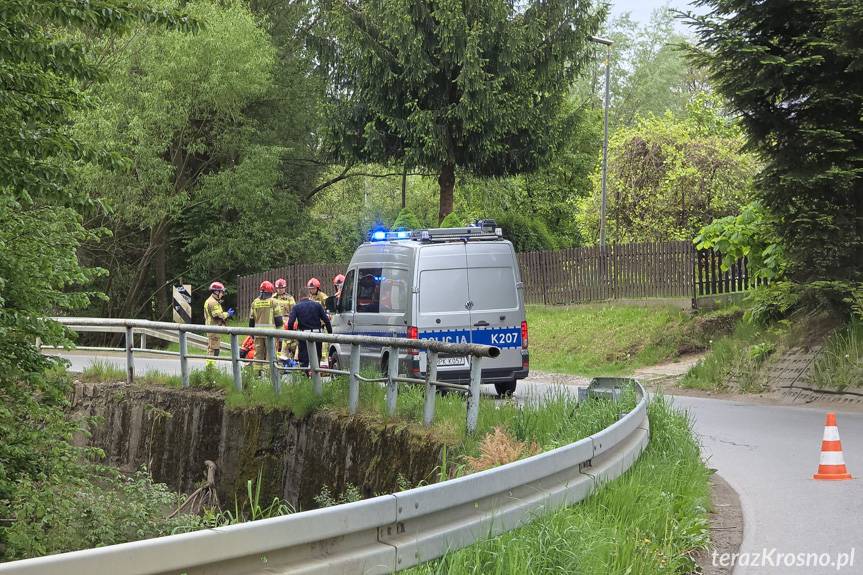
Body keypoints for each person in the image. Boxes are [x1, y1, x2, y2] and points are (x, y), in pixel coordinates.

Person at [288, 294, 332, 368]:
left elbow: (290, 322)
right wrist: (330, 334)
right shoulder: (317, 305)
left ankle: (305, 376)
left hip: (303, 335)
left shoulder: (297, 307)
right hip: (317, 335)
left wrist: (291, 335)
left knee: (304, 359)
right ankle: (316, 376)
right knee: (317, 356)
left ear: (299, 297)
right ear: (308, 296)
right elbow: (326, 320)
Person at [248, 280, 283, 371]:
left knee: (258, 355)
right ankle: (269, 376)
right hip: (270, 334)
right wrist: (281, 335)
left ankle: (256, 374)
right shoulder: (273, 302)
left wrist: (251, 333)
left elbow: (251, 320)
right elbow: (278, 320)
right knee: (270, 355)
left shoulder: (255, 302)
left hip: (257, 333)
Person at [203, 281, 233, 357]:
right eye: (221, 292)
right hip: (213, 328)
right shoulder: (213, 302)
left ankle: (211, 366)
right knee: (213, 349)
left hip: (212, 327)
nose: (222, 294)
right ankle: (211, 366)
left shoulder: (211, 300)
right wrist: (228, 314)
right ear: (216, 291)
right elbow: (217, 316)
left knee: (214, 348)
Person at [273, 278, 296, 360]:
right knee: (275, 340)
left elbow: (293, 311)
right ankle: (274, 356)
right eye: (278, 288)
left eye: (281, 288)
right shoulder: (273, 297)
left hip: (286, 320)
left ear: (284, 288)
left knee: (286, 340)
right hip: (275, 321)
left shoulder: (290, 298)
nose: (279, 290)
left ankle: (285, 356)